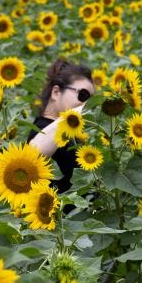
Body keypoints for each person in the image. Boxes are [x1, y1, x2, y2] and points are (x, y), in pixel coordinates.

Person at [28, 58, 96, 193]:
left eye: (90, 101)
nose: (86, 105)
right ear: (56, 92)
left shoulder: (69, 133)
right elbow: (33, 154)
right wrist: (72, 116)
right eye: (83, 95)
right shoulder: (42, 130)